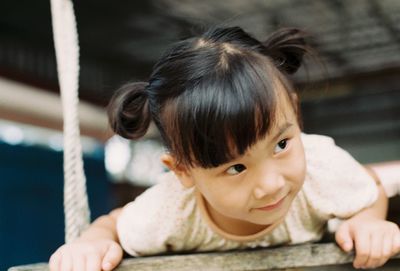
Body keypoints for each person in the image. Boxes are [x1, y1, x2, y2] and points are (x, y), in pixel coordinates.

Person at [49, 26, 400, 271]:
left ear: (294, 112)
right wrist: (90, 244)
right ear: (183, 171)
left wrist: (369, 223)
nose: (271, 184)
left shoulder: (322, 167)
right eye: (235, 167)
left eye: (280, 144)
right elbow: (114, 225)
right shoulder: (170, 211)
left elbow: (369, 190)